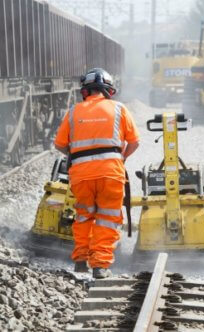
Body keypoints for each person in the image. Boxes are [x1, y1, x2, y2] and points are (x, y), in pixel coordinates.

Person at [54, 68, 140, 279]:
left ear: (85, 91)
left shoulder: (74, 111)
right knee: (107, 218)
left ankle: (81, 261)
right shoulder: (120, 109)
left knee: (84, 216)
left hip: (81, 175)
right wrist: (120, 158)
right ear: (109, 90)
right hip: (111, 173)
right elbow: (135, 142)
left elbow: (59, 145)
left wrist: (77, 155)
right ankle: (100, 266)